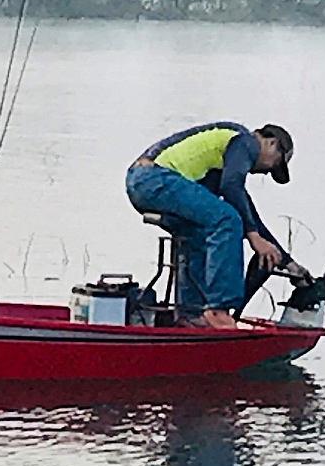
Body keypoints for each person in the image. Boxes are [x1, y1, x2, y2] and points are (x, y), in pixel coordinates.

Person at [126, 121, 309, 329]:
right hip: (155, 178)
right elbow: (233, 192)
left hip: (144, 182)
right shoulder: (244, 141)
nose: (267, 172)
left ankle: (191, 315)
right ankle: (218, 310)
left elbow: (252, 221)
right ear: (271, 142)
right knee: (227, 220)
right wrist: (252, 235)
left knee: (199, 232)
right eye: (275, 164)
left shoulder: (223, 165)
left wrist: (289, 264)